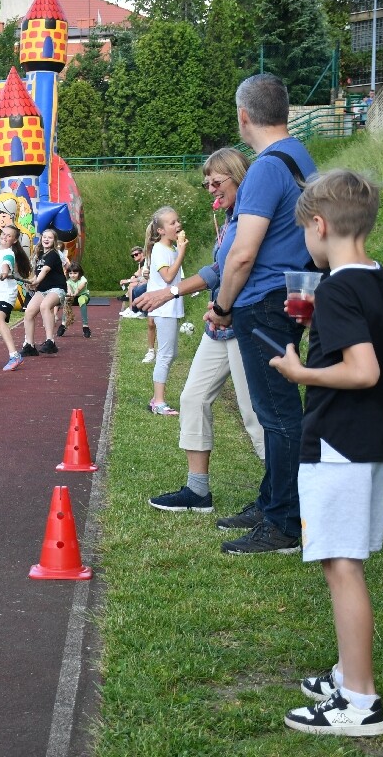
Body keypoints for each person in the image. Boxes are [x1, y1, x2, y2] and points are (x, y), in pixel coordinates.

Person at [271, 169, 383, 737]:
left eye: (304, 231)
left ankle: (359, 699)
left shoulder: (335, 289)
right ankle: (349, 673)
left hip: (338, 443)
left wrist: (300, 371)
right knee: (346, 561)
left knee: (341, 566)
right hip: (375, 440)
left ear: (319, 226)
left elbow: (364, 370)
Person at [207, 73, 317, 555]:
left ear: (243, 116)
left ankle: (283, 522)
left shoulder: (267, 168)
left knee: (277, 413)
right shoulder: (299, 157)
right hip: (289, 295)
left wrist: (223, 306)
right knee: (277, 409)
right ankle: (273, 500)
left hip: (264, 301)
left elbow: (243, 254)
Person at [142, 148, 264, 513]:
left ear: (237, 176)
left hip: (240, 320)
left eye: (216, 181)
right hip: (219, 324)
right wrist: (173, 293)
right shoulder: (230, 218)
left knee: (255, 414)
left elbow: (239, 265)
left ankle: (283, 499)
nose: (210, 188)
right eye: (206, 183)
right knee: (193, 399)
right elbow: (218, 268)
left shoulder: (251, 215)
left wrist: (212, 303)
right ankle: (198, 492)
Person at [144, 207, 188, 415]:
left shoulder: (171, 249)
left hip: (171, 308)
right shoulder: (160, 249)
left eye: (177, 221)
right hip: (164, 309)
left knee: (172, 353)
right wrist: (182, 252)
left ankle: (156, 398)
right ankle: (158, 402)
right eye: (172, 223)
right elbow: (168, 277)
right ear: (160, 230)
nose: (178, 225)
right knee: (165, 354)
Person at [0, 198, 31, 372]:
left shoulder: (9, 253)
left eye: (9, 236)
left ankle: (14, 355)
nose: (5, 236)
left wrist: (4, 272)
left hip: (5, 292)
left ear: (14, 240)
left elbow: (5, 264)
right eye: (3, 233)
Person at [20, 228, 65, 356]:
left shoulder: (53, 254)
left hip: (57, 288)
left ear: (54, 241)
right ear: (41, 239)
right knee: (29, 312)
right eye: (44, 237)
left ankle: (50, 341)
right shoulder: (40, 255)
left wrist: (36, 282)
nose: (46, 239)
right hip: (43, 290)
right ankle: (29, 345)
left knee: (45, 306)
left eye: (49, 237)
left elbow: (45, 271)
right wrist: (30, 282)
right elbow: (37, 274)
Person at [64, 262, 91, 338]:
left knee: (81, 299)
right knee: (66, 300)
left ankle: (85, 326)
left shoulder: (83, 279)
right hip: (74, 297)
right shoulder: (68, 281)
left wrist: (74, 294)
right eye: (70, 273)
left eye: (75, 273)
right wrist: (69, 294)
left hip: (83, 295)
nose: (72, 275)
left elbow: (79, 289)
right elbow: (69, 289)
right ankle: (63, 324)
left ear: (79, 273)